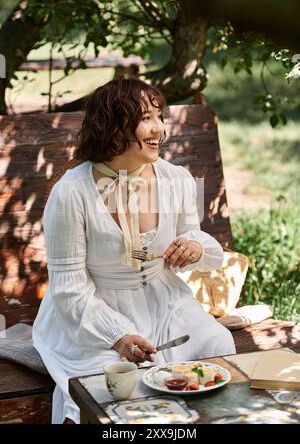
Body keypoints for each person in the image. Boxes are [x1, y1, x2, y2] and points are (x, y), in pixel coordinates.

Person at [32, 77, 236, 424]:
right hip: (93, 313)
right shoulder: (72, 193)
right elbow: (69, 288)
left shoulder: (176, 179)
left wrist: (193, 248)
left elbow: (195, 237)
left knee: (216, 343)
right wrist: (118, 335)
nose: (159, 128)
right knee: (117, 382)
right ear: (111, 126)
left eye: (160, 116)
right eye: (146, 118)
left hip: (166, 303)